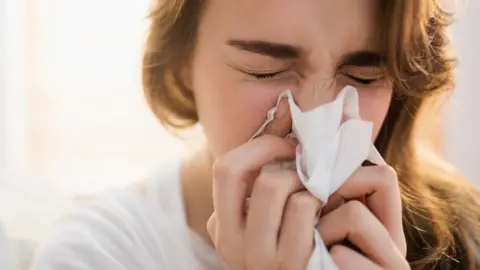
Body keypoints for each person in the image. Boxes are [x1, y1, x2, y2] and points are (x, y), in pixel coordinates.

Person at [30, 0, 480, 269]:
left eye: (363, 76)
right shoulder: (99, 255)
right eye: (266, 70)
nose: (315, 118)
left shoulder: (462, 234)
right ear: (183, 66)